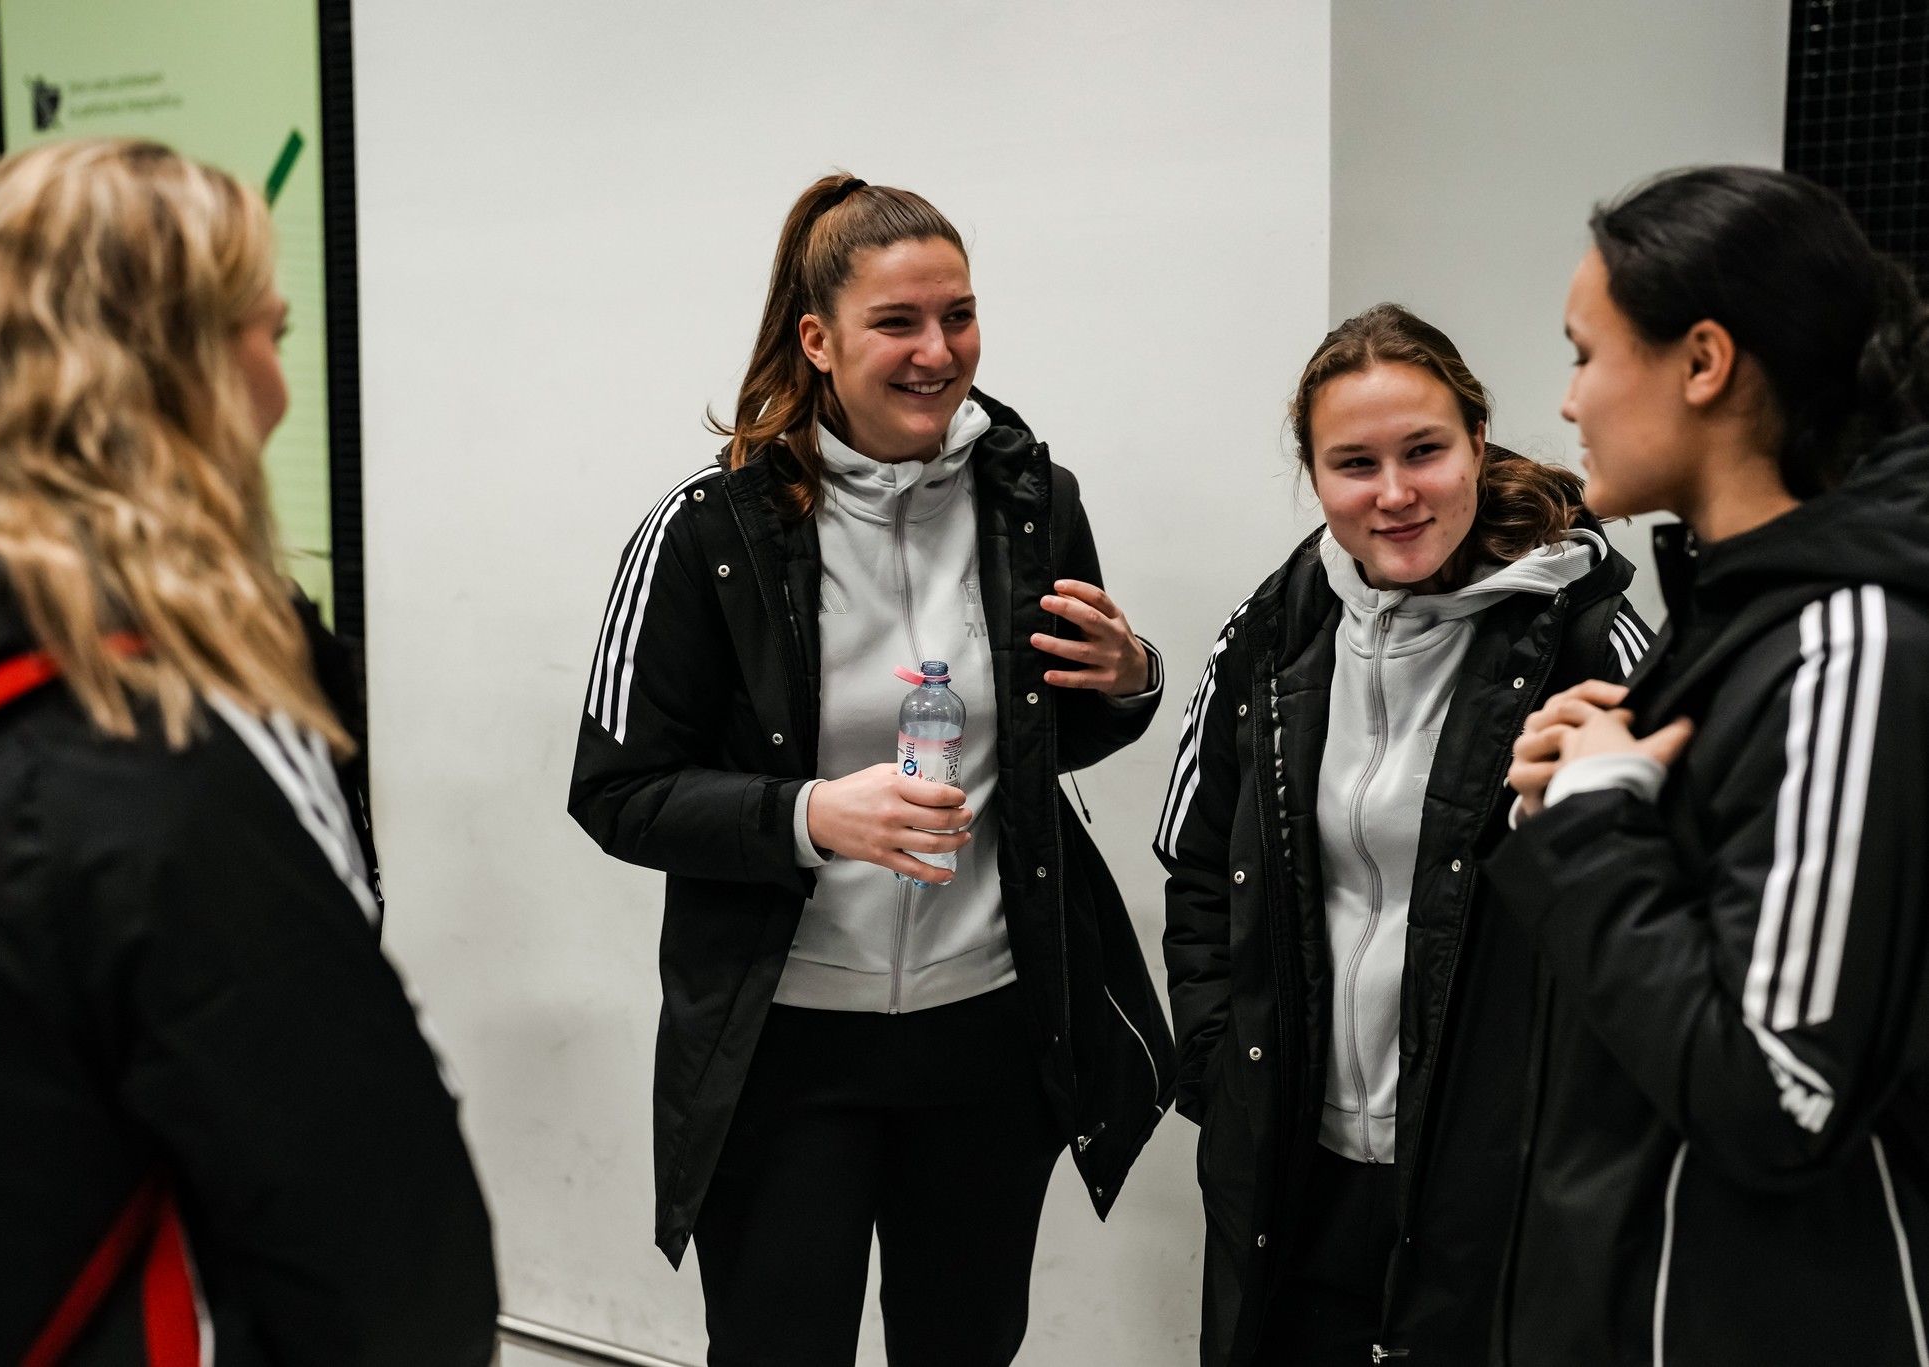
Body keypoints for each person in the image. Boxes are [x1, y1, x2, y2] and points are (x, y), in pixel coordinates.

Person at [0, 139, 497, 1365]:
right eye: (264, 330)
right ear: (169, 368)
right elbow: (376, 1254)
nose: (276, 383)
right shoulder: (131, 728)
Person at [569, 172, 1175, 1366]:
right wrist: (809, 815)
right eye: (898, 322)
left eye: (958, 315)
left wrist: (1130, 675)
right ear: (818, 338)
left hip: (987, 1036)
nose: (937, 351)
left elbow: (1061, 734)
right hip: (788, 1048)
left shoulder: (1032, 501)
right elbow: (618, 791)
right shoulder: (709, 533)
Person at [1490, 166, 1929, 1366]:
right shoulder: (1728, 611)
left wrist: (1595, 818)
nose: (1568, 402)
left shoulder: (1851, 638)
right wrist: (1586, 788)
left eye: (1585, 354)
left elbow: (1780, 1092)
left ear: (1702, 363)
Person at [1157, 304, 1650, 1365]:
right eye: (1354, 463)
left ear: (1477, 440)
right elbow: (1198, 861)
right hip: (1295, 1160)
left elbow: (1654, 905)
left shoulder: (1585, 634)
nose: (1393, 493)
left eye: (1423, 450)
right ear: (1314, 475)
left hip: (1496, 1177)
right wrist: (1216, 1065)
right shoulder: (1275, 630)